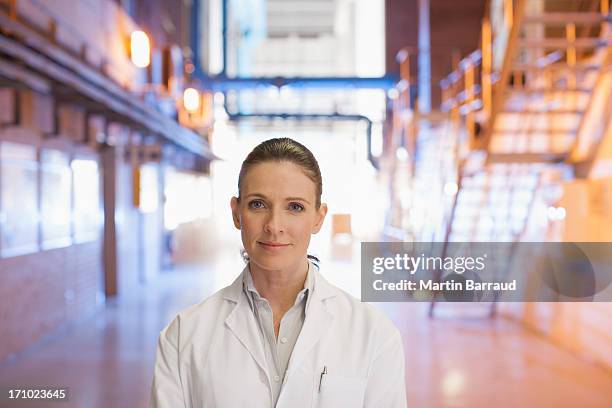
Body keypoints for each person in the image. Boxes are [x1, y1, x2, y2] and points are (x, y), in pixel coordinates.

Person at [150, 137, 407, 407]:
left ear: (319, 217)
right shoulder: (183, 337)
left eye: (295, 207)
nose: (274, 225)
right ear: (236, 213)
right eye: (258, 204)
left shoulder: (374, 335)